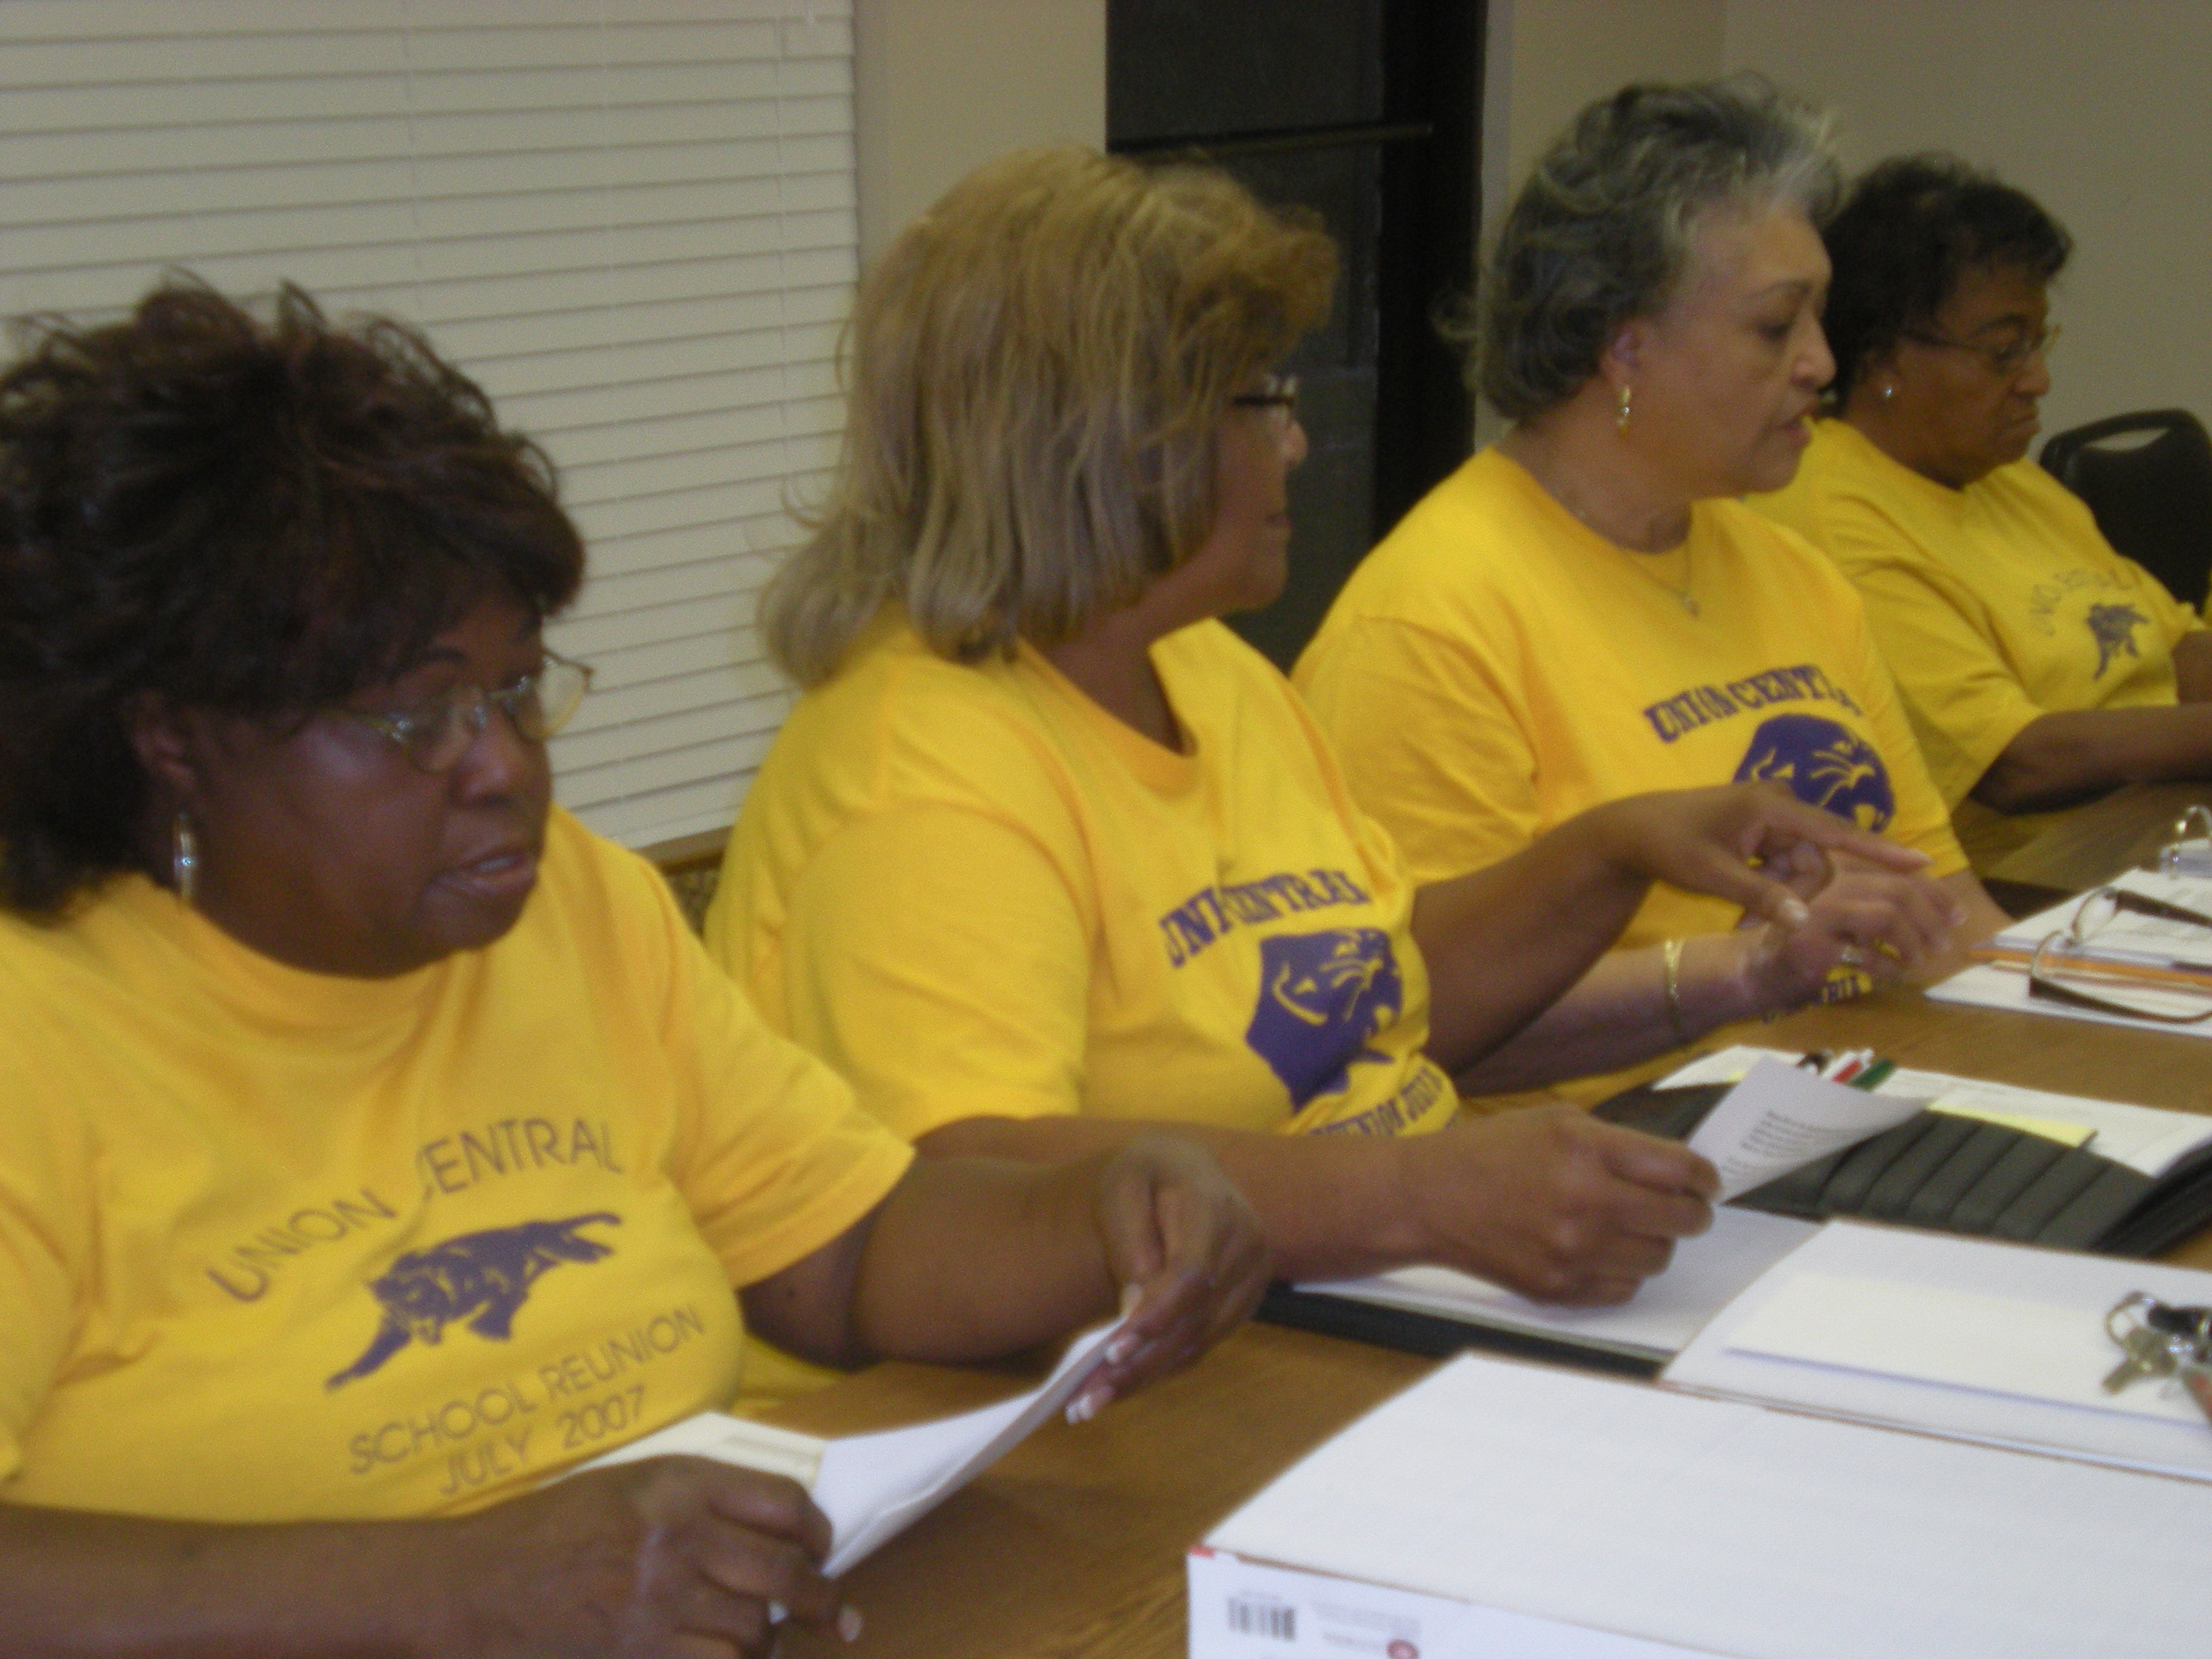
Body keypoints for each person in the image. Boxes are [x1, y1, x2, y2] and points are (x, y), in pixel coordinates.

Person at [0, 281, 1273, 1658]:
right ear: (171, 740)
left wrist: (1100, 1215)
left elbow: (845, 1257)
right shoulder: (43, 1028)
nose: (503, 768)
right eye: (416, 717)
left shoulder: (575, 910)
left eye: (517, 689)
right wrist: (465, 1587)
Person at [704, 142, 1942, 1359]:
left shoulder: (1206, 666)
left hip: (1355, 1304)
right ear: (1109, 439)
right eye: (1261, 400)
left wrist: (1607, 855)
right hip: (1147, 1383)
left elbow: (1380, 1000)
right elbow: (961, 1181)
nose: (1296, 443)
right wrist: (1415, 1194)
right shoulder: (913, 766)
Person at [1294, 79, 2003, 1094]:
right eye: (1775, 328)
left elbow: (1948, 913)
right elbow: (1419, 1020)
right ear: (1624, 347)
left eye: (1819, 319)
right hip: (1588, 1171)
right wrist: (1749, 970)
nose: (1821, 364)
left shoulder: (1790, 572)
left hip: (1845, 1103)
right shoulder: (1430, 620)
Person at [1750, 155, 2212, 869]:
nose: (2037, 379)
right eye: (2004, 351)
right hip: (2030, 879)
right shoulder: (1834, 514)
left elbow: (2177, 648)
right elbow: (2015, 765)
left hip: (2157, 828)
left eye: (2036, 342)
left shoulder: (2010, 483)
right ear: (1886, 360)